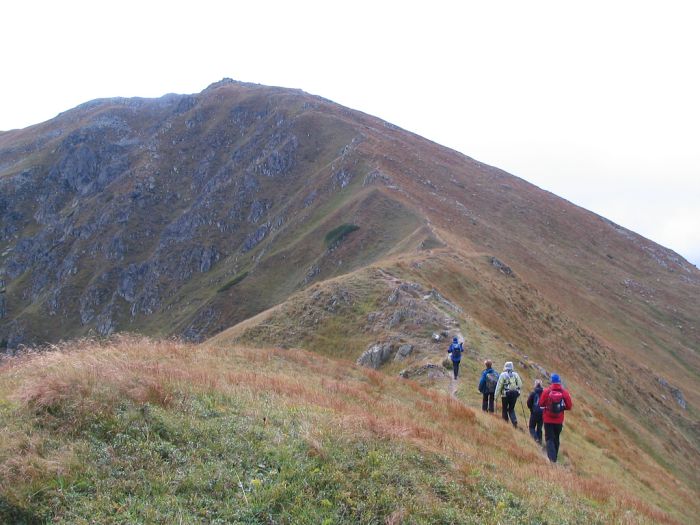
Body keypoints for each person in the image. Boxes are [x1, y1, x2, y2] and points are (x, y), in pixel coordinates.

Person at [538, 373, 573, 463]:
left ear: (551, 381)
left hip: (548, 420)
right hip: (559, 420)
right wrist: (561, 408)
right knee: (556, 438)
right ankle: (555, 457)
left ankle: (552, 459)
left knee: (549, 438)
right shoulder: (564, 393)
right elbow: (569, 406)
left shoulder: (546, 391)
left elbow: (541, 404)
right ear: (559, 381)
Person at [494, 361, 522, 427]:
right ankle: (514, 420)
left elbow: (499, 386)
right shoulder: (515, 375)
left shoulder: (503, 375)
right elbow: (520, 384)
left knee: (504, 409)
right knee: (511, 409)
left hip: (505, 395)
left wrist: (496, 396)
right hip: (514, 394)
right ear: (512, 367)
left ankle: (505, 423)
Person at [526, 379, 544, 444]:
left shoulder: (533, 393)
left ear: (535, 385)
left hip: (534, 412)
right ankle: (540, 441)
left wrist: (531, 409)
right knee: (539, 428)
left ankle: (535, 438)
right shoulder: (544, 393)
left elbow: (528, 403)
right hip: (542, 413)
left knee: (531, 427)